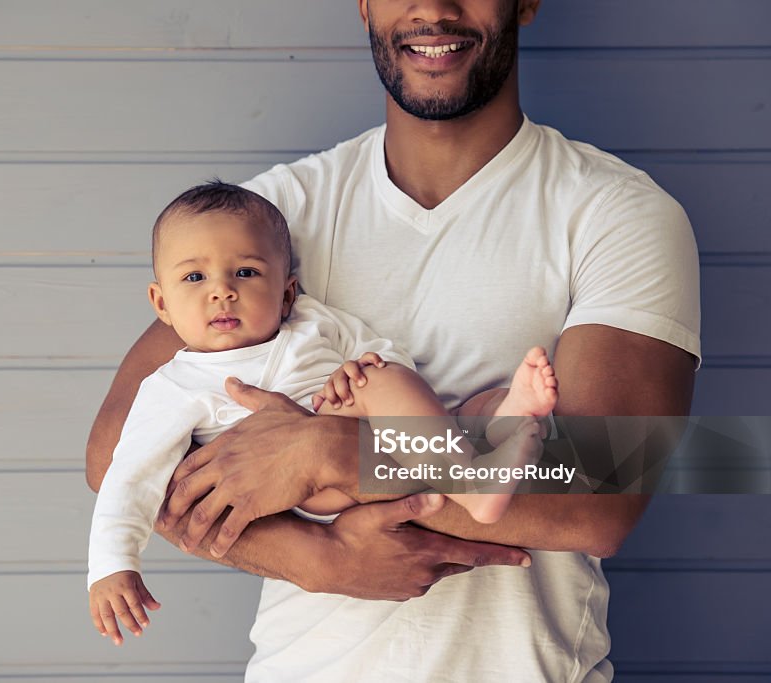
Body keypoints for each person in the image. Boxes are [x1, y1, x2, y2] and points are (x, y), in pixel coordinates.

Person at [86, 0, 700, 680]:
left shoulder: (617, 213)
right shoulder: (268, 222)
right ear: (364, 5)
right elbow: (116, 449)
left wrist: (332, 453)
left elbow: (603, 495)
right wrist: (312, 558)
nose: (433, 9)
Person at [87, 182, 558, 645]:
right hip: (317, 496)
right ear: (161, 304)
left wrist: (357, 373)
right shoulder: (174, 385)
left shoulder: (312, 321)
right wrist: (112, 564)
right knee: (402, 400)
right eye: (195, 278)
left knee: (466, 407)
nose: (223, 292)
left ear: (287, 293)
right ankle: (475, 488)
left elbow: (382, 354)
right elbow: (127, 474)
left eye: (246, 273)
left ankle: (507, 419)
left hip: (390, 440)